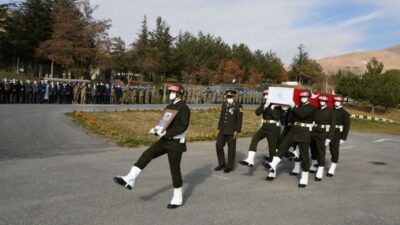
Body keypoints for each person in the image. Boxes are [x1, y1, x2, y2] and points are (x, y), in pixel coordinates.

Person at [114, 84, 190, 209]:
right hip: (165, 140)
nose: (170, 93)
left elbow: (183, 126)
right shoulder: (169, 106)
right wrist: (157, 129)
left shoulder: (184, 108)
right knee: (147, 154)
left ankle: (177, 198)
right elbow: (164, 122)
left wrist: (167, 133)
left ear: (179, 94)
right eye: (170, 91)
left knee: (174, 170)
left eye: (172, 92)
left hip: (176, 143)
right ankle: (130, 178)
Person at [264, 89, 316, 188]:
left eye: (305, 96)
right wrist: (286, 109)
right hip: (294, 130)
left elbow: (302, 115)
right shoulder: (297, 107)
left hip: (304, 132)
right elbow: (291, 119)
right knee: (282, 147)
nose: (303, 98)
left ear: (309, 97)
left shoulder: (312, 107)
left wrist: (293, 107)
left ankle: (304, 177)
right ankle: (273, 164)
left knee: (304, 155)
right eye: (301, 97)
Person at [239, 89, 281, 180]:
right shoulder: (264, 103)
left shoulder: (277, 105)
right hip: (265, 127)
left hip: (273, 128)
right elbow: (257, 112)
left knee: (272, 149)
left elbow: (277, 117)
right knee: (255, 138)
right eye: (264, 94)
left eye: (267, 94)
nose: (265, 95)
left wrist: (272, 108)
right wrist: (264, 106)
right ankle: (250, 160)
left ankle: (272, 172)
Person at [214, 90, 243, 173]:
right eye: (227, 96)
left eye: (230, 97)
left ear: (233, 96)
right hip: (222, 130)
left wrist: (237, 130)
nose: (229, 98)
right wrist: (219, 128)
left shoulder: (238, 105)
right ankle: (222, 163)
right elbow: (222, 117)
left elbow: (239, 119)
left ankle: (229, 166)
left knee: (231, 149)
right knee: (218, 145)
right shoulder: (224, 104)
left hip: (232, 130)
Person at [309, 93, 336, 181]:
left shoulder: (331, 111)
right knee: (313, 149)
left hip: (323, 133)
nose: (322, 102)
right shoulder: (316, 109)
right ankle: (314, 164)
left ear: (327, 102)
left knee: (321, 152)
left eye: (324, 100)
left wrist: (329, 138)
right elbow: (312, 120)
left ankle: (320, 169)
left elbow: (332, 126)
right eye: (321, 100)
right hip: (314, 131)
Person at [327, 94, 350, 177]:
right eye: (335, 101)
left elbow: (346, 126)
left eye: (339, 101)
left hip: (337, 133)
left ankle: (333, 166)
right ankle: (316, 163)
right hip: (328, 131)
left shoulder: (344, 113)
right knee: (324, 148)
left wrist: (343, 138)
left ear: (341, 102)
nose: (337, 102)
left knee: (334, 150)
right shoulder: (330, 110)